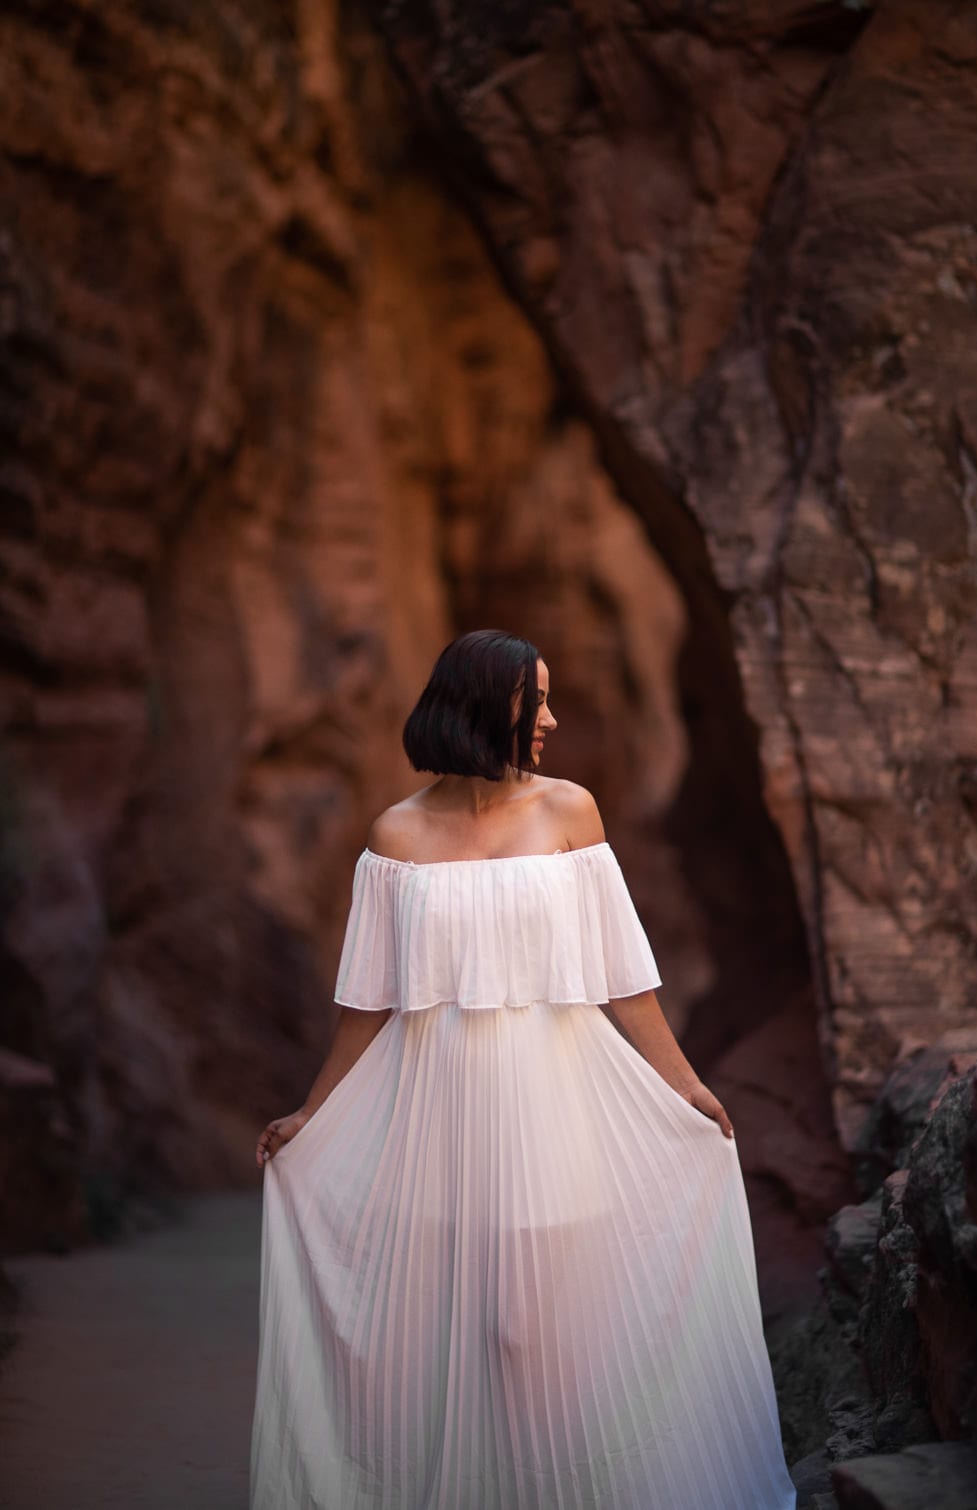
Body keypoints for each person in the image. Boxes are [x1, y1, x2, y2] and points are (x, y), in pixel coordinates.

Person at [249, 629, 797, 1510]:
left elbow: (626, 980)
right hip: (434, 1115)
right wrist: (314, 1114)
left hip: (555, 1107)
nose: (549, 717)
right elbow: (367, 1005)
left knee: (533, 1333)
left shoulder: (570, 812)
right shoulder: (394, 833)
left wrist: (683, 1086)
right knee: (451, 1334)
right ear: (477, 706)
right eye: (531, 700)